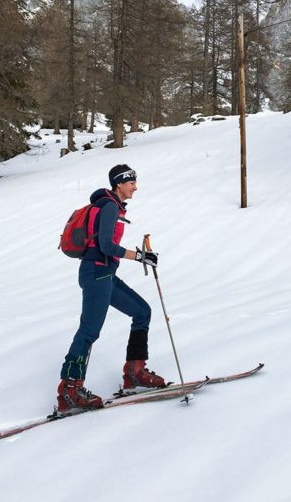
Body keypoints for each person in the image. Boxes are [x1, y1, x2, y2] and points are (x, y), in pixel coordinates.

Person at [57, 164, 166, 414]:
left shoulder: (111, 206)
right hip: (96, 274)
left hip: (104, 274)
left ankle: (134, 373)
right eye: (131, 183)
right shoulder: (107, 207)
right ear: (119, 184)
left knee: (142, 312)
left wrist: (140, 256)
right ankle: (70, 389)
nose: (135, 187)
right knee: (88, 331)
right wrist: (140, 257)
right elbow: (106, 246)